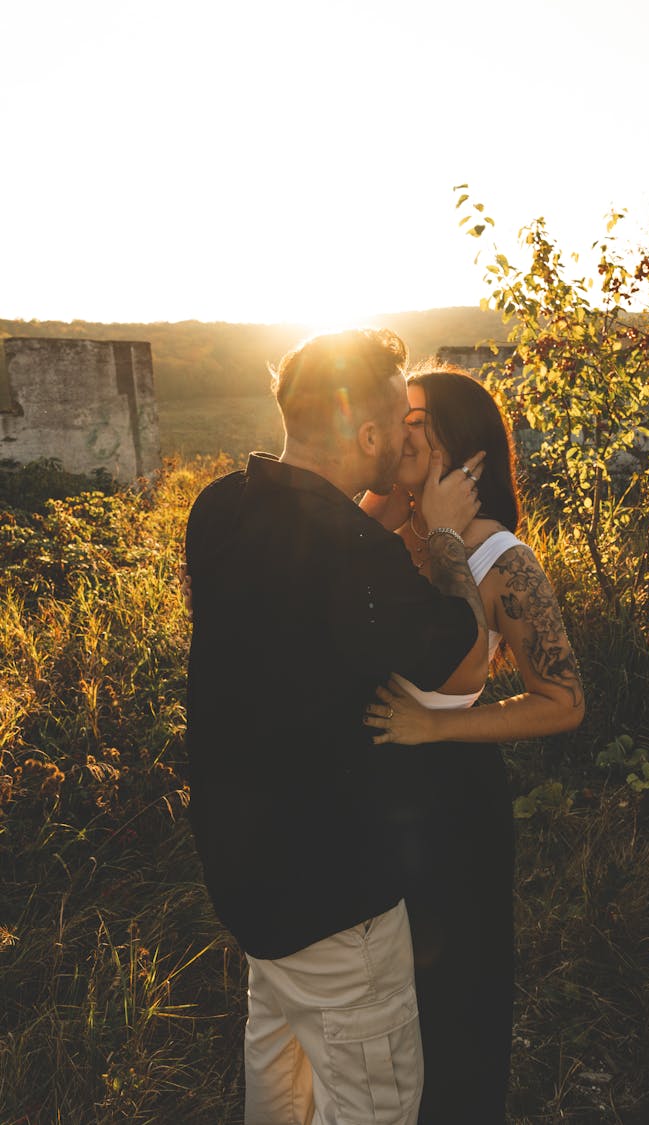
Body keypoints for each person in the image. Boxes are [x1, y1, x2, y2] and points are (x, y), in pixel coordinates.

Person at [183, 328, 493, 1125]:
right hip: (337, 905)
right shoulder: (356, 555)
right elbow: (458, 653)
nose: (405, 438)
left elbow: (310, 591)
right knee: (374, 1107)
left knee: (280, 1096)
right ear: (368, 436)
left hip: (251, 892)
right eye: (399, 424)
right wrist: (449, 533)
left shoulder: (216, 509)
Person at [362, 364, 585, 1124]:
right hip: (368, 794)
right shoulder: (388, 532)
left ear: (465, 445)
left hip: (450, 803)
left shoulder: (499, 558)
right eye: (400, 414)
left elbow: (564, 700)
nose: (403, 427)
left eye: (418, 416)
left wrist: (439, 725)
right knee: (379, 1004)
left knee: (454, 1001)